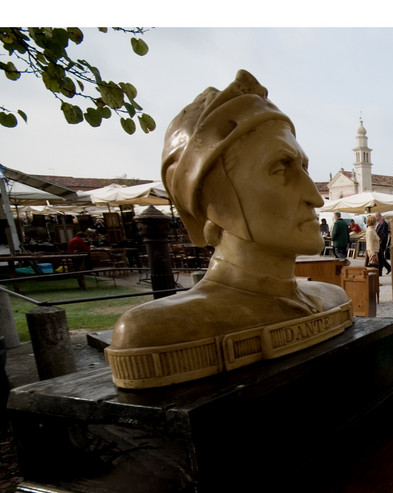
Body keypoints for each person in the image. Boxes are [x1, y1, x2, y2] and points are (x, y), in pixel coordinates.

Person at [106, 69, 352, 389]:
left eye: (303, 168)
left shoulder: (330, 298)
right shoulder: (151, 331)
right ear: (216, 204)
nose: (314, 196)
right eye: (280, 169)